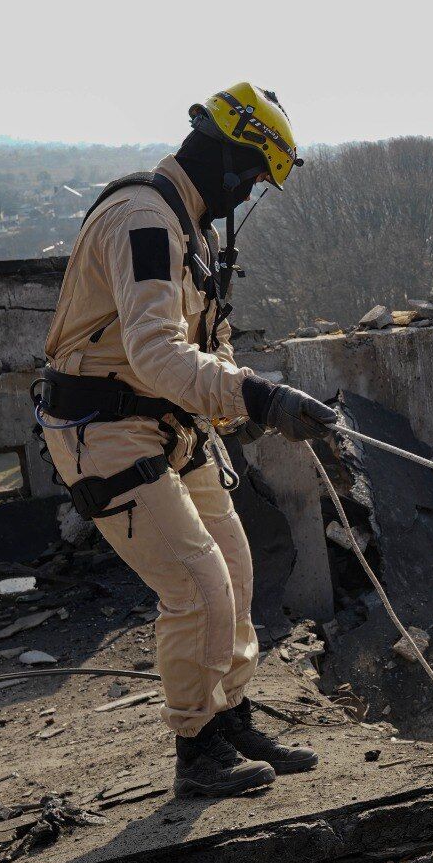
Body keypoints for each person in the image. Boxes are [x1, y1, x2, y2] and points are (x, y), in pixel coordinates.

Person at [35, 84, 339, 798]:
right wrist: (257, 395)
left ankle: (230, 717)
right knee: (196, 586)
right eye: (257, 177)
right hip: (103, 429)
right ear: (233, 163)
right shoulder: (145, 223)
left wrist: (248, 401)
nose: (252, 193)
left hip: (168, 424)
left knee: (233, 564)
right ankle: (195, 750)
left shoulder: (185, 225)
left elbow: (206, 341)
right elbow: (154, 355)